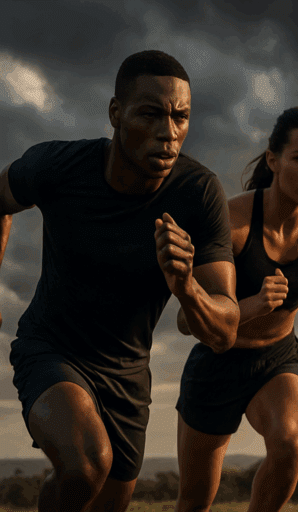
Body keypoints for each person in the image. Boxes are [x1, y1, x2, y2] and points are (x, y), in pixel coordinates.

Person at [0, 50, 239, 512]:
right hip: (50, 348)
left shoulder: (198, 193)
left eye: (181, 117)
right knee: (87, 464)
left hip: (128, 375)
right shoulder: (58, 166)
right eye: (150, 114)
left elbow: (225, 330)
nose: (168, 133)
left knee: (104, 496)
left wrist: (186, 287)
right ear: (116, 113)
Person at [174, 107, 298, 512]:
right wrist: (253, 305)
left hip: (277, 356)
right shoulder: (231, 223)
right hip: (218, 359)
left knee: (290, 445)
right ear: (273, 160)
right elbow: (187, 321)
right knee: (195, 500)